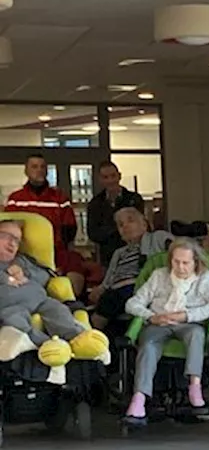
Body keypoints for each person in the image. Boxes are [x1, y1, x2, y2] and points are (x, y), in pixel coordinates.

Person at [121, 238, 209, 426]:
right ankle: (139, 399)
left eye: (186, 262)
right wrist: (151, 316)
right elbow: (132, 303)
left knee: (196, 335)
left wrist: (187, 315)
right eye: (176, 261)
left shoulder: (206, 278)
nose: (180, 267)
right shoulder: (159, 275)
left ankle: (195, 387)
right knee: (147, 346)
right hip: (158, 322)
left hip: (189, 323)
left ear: (195, 262)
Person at [0, 219, 108, 366]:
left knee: (58, 310)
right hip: (10, 305)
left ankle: (79, 340)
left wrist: (23, 270)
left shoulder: (22, 260)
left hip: (40, 300)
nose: (13, 244)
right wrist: (5, 277)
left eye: (17, 240)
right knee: (15, 322)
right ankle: (46, 345)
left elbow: (45, 276)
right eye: (7, 236)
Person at [5, 154, 86, 296]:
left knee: (75, 263)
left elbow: (70, 228)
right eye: (34, 167)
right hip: (25, 254)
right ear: (26, 171)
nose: (39, 170)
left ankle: (73, 305)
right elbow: (8, 228)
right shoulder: (16, 199)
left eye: (43, 167)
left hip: (56, 252)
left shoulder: (59, 198)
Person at [91, 208, 172, 331]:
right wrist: (99, 289)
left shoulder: (157, 238)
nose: (125, 226)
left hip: (139, 286)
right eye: (121, 225)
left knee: (102, 313)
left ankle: (93, 335)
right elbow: (108, 280)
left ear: (144, 224)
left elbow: (178, 250)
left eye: (130, 220)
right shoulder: (119, 253)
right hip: (116, 291)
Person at [86, 160, 144, 264]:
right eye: (105, 177)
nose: (110, 180)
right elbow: (93, 234)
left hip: (135, 253)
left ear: (119, 176)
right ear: (100, 180)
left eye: (113, 176)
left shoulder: (134, 199)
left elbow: (141, 227)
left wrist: (109, 229)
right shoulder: (95, 204)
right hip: (108, 257)